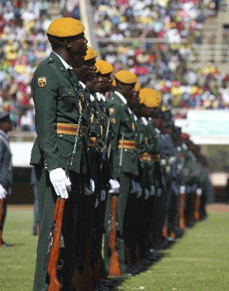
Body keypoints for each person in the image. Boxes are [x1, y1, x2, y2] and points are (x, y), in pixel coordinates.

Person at [30, 17, 89, 291]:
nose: (85, 43)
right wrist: (54, 166)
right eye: (81, 38)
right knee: (52, 233)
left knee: (68, 232)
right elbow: (45, 125)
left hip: (71, 161)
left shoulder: (67, 74)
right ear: (67, 42)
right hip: (55, 164)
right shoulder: (47, 71)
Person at [104, 69, 140, 275]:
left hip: (126, 167)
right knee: (115, 218)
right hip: (120, 167)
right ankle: (112, 264)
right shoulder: (116, 107)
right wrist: (113, 173)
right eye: (130, 87)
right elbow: (112, 143)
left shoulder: (122, 106)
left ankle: (120, 263)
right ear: (121, 86)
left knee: (121, 218)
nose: (132, 90)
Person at [0, 111, 13, 246]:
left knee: (2, 212)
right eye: (8, 122)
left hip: (4, 182)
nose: (10, 124)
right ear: (2, 125)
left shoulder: (4, 139)